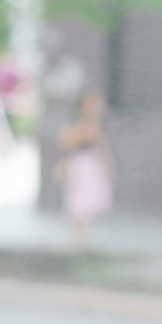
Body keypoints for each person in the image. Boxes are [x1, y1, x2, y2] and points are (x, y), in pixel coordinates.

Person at [57, 87, 113, 247]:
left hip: (93, 165)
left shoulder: (96, 124)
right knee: (78, 200)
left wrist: (108, 167)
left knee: (89, 200)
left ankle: (83, 235)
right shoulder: (77, 124)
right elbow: (66, 142)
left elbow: (103, 148)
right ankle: (78, 235)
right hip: (79, 165)